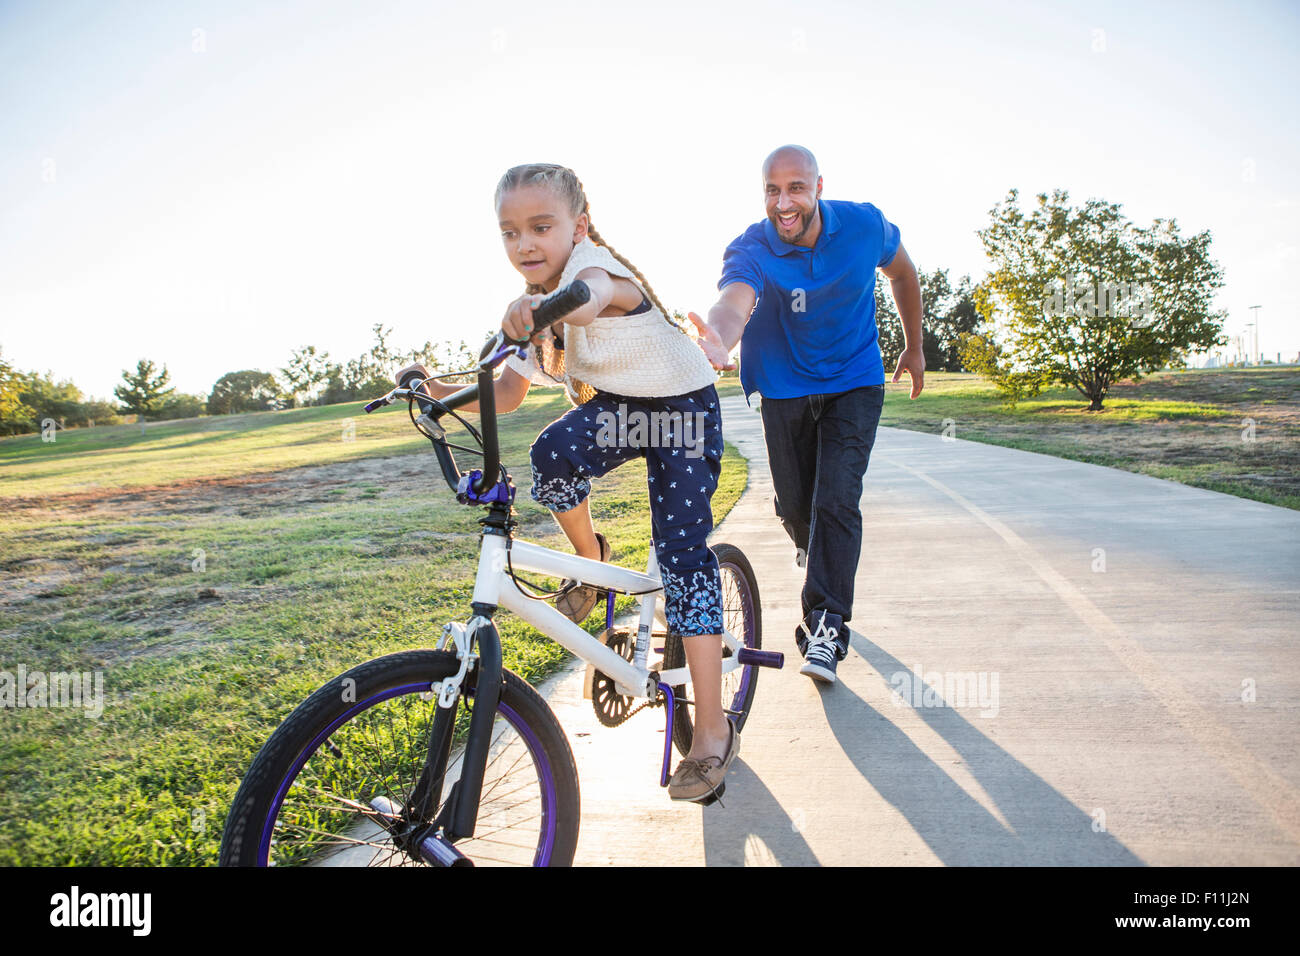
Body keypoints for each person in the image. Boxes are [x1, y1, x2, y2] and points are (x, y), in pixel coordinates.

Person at [397, 164, 738, 802]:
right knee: (551, 452)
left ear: (577, 225)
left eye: (541, 226)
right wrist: (435, 391)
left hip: (684, 411)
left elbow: (586, 297)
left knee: (683, 555)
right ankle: (592, 558)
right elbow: (505, 389)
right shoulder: (538, 307)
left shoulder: (595, 268)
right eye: (510, 232)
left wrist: (539, 308)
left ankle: (713, 730)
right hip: (625, 410)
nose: (525, 244)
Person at [689, 145, 925, 685]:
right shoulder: (753, 246)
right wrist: (719, 339)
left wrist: (914, 346)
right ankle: (810, 547)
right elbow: (733, 299)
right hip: (784, 387)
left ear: (819, 186)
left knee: (837, 500)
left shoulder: (864, 225)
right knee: (800, 508)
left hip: (854, 380)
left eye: (796, 188)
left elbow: (904, 273)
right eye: (772, 190)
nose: (784, 202)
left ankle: (825, 627)